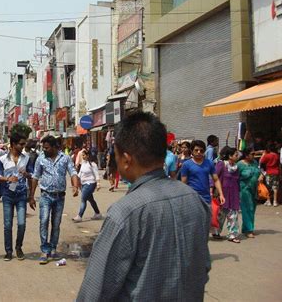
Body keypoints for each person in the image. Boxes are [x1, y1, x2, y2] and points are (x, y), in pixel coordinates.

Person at [77, 112, 211, 301]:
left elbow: (95, 292)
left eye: (115, 156)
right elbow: (202, 267)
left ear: (125, 159)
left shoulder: (125, 213)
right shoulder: (195, 200)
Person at [30, 135, 80, 265]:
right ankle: (44, 250)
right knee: (44, 221)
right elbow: (35, 177)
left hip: (59, 197)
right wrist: (31, 196)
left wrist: (75, 186)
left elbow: (73, 172)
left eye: (46, 147)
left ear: (54, 147)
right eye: (43, 147)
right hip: (45, 195)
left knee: (56, 224)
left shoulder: (65, 158)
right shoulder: (40, 158)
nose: (44, 150)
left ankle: (53, 248)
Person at [0, 133, 32, 261]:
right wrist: (7, 178)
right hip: (7, 195)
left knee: (22, 223)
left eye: (24, 144)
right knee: (7, 224)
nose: (23, 146)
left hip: (21, 195)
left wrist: (26, 174)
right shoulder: (2, 159)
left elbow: (32, 175)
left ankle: (18, 247)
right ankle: (8, 251)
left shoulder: (27, 158)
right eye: (21, 144)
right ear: (13, 145)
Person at [216, 147, 241, 243]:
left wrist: (239, 193)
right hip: (223, 195)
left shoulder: (236, 167)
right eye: (236, 154)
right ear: (230, 156)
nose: (237, 156)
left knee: (233, 215)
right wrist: (212, 190)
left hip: (234, 195)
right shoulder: (221, 164)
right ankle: (216, 232)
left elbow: (238, 181)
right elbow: (214, 177)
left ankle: (232, 235)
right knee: (220, 215)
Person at [72, 150, 102, 223]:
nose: (83, 157)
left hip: (90, 184)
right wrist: (76, 178)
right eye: (82, 155)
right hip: (83, 184)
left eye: (84, 155)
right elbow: (80, 174)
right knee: (91, 199)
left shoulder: (92, 164)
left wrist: (98, 184)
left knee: (83, 200)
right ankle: (97, 213)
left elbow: (96, 174)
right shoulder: (83, 164)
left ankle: (79, 216)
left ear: (88, 155)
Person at [238, 148, 261, 238]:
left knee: (252, 209)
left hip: (254, 189)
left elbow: (258, 172)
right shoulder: (240, 164)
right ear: (246, 155)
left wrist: (260, 177)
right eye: (252, 154)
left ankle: (246, 227)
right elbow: (235, 177)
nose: (253, 155)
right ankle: (249, 229)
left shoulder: (254, 163)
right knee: (247, 208)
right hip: (244, 189)